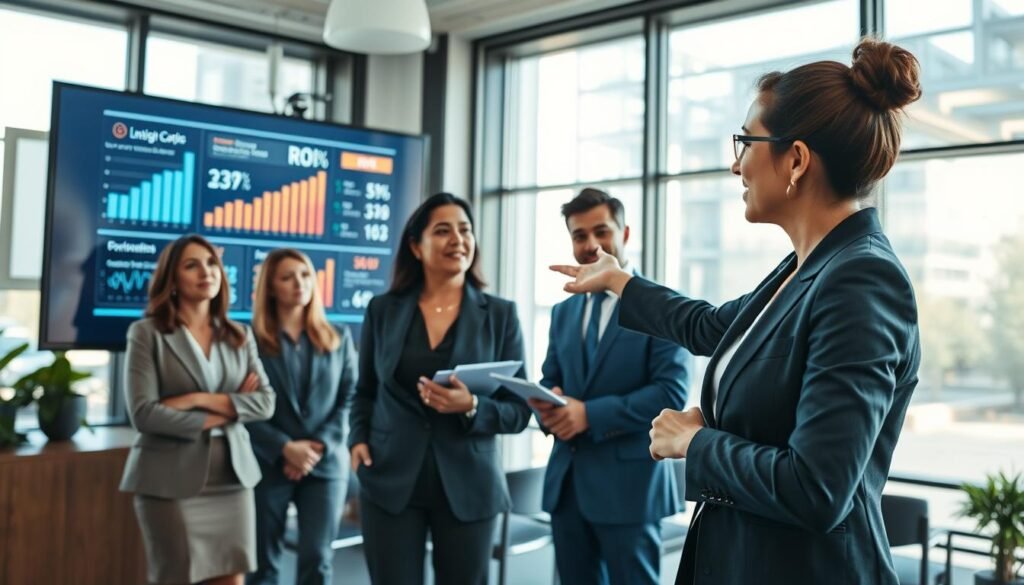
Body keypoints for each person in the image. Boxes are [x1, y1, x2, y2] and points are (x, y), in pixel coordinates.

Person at [551, 38, 923, 585]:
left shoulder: (861, 279)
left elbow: (817, 489)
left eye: (746, 141)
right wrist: (618, 281)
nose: (735, 164)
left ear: (795, 159)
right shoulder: (804, 267)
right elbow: (710, 327)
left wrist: (695, 442)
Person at [349, 192, 532, 585]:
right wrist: (357, 439)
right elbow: (364, 390)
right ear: (416, 246)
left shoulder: (500, 314)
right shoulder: (382, 310)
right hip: (390, 479)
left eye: (465, 230)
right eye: (443, 231)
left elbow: (520, 412)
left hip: (469, 485)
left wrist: (471, 406)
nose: (458, 240)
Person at [530, 188, 690, 585]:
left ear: (626, 233)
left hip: (630, 489)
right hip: (567, 487)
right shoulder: (563, 311)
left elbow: (671, 394)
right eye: (579, 236)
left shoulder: (659, 305)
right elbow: (552, 378)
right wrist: (549, 406)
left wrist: (588, 415)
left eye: (601, 231)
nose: (591, 245)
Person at [121, 234, 276, 585]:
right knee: (177, 577)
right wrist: (234, 407)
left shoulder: (238, 335)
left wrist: (196, 399)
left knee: (232, 579)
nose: (206, 271)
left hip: (234, 482)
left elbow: (266, 402)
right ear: (172, 280)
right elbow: (145, 415)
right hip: (170, 482)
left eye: (211, 264)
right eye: (192, 265)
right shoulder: (146, 334)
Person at [247, 248, 358, 585]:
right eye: (288, 277)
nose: (299, 283)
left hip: (325, 466)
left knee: (317, 560)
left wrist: (314, 448)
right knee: (263, 563)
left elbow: (349, 398)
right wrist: (285, 448)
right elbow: (242, 406)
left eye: (305, 275)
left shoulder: (338, 337)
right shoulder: (247, 340)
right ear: (270, 287)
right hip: (268, 462)